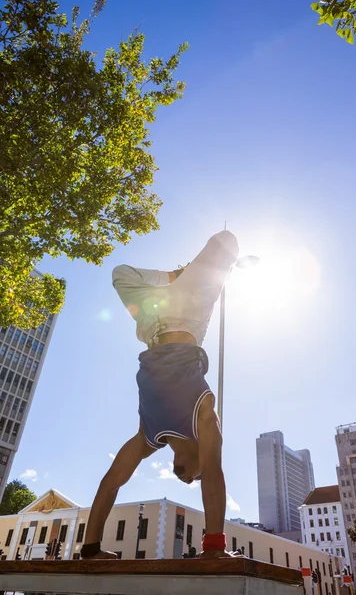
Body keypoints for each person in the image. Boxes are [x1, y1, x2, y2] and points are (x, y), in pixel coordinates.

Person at [80, 230, 239, 560]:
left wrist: (91, 549)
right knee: (226, 241)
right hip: (192, 316)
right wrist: (213, 548)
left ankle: (175, 281)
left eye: (187, 479)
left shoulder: (149, 435)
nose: (188, 479)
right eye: (194, 478)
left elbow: (111, 482)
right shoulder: (203, 416)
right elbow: (214, 471)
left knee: (119, 274)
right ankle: (180, 277)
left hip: (153, 322)